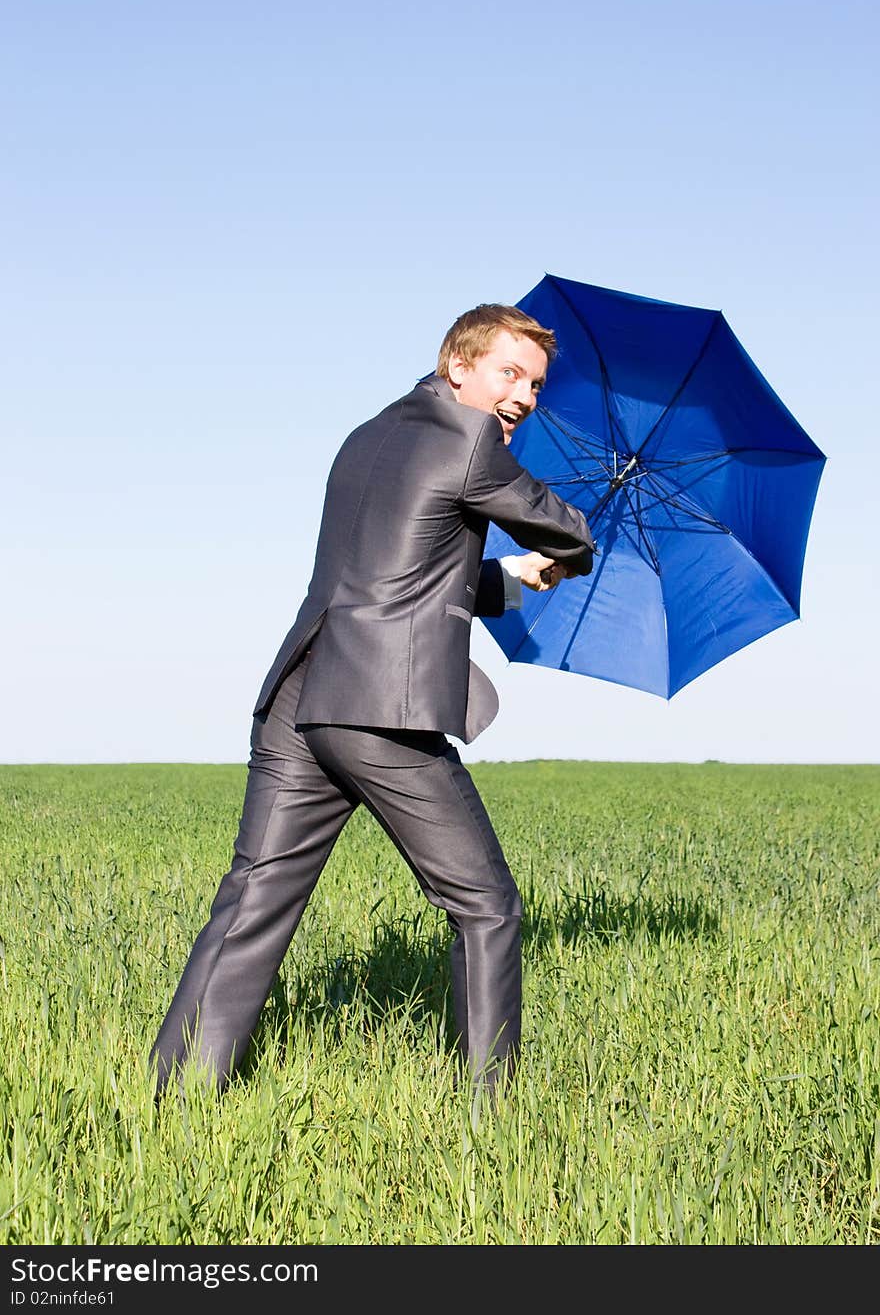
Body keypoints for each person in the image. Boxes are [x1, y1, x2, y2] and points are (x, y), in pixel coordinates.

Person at [150, 302, 595, 1102]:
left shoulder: (370, 434)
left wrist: (512, 577)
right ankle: (492, 1115)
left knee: (253, 896)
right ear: (458, 364)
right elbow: (564, 527)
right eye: (509, 373)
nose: (523, 396)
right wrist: (570, 548)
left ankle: (173, 1094)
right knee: (487, 906)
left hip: (302, 693)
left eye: (533, 384)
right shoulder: (471, 439)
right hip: (379, 709)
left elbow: (396, 571)